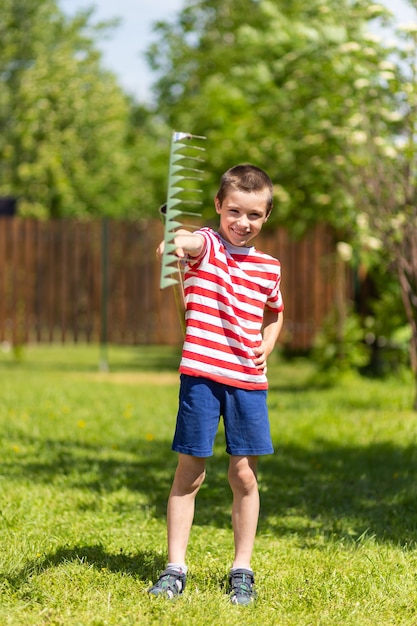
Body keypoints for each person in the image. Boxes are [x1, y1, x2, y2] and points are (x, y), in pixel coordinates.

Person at [148, 164, 284, 605]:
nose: (242, 223)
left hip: (248, 382)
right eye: (234, 212)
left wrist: (267, 343)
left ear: (266, 217)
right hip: (202, 378)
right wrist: (175, 241)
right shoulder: (206, 245)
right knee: (191, 471)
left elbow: (276, 311)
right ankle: (175, 568)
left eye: (254, 215)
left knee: (243, 474)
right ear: (218, 208)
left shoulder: (268, 267)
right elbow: (185, 242)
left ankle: (242, 568)